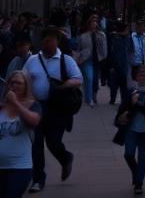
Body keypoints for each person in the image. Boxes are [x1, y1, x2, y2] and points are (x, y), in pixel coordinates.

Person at [23, 27, 82, 193]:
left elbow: (78, 79)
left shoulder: (66, 60)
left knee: (53, 142)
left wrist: (62, 86)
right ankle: (38, 179)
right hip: (36, 107)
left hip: (58, 109)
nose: (46, 43)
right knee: (36, 144)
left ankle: (66, 157)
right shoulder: (33, 60)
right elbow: (23, 78)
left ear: (57, 41)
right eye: (44, 40)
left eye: (50, 40)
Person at [114, 66, 145, 196]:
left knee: (142, 157)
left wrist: (139, 104)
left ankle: (138, 184)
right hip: (132, 129)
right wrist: (131, 102)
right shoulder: (131, 91)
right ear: (136, 77)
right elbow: (122, 109)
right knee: (128, 154)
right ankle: (137, 172)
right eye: (140, 74)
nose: (142, 75)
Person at [0, 71, 42, 198]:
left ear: (26, 86)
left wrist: (16, 103)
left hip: (20, 167)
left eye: (19, 83)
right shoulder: (2, 107)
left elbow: (34, 121)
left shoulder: (33, 105)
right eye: (12, 83)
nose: (14, 86)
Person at [74, 14, 107, 108]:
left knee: (95, 79)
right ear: (89, 24)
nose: (94, 23)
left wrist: (104, 56)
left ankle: (93, 95)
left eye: (96, 22)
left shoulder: (101, 35)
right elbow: (78, 49)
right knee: (89, 78)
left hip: (98, 59)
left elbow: (104, 48)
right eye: (92, 22)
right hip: (86, 59)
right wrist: (79, 58)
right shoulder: (83, 36)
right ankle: (89, 99)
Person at [108, 21, 131, 107]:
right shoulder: (116, 39)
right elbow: (112, 54)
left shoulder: (127, 39)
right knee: (116, 84)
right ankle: (115, 98)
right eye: (127, 29)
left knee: (121, 85)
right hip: (117, 66)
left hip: (122, 66)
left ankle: (120, 99)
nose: (128, 31)